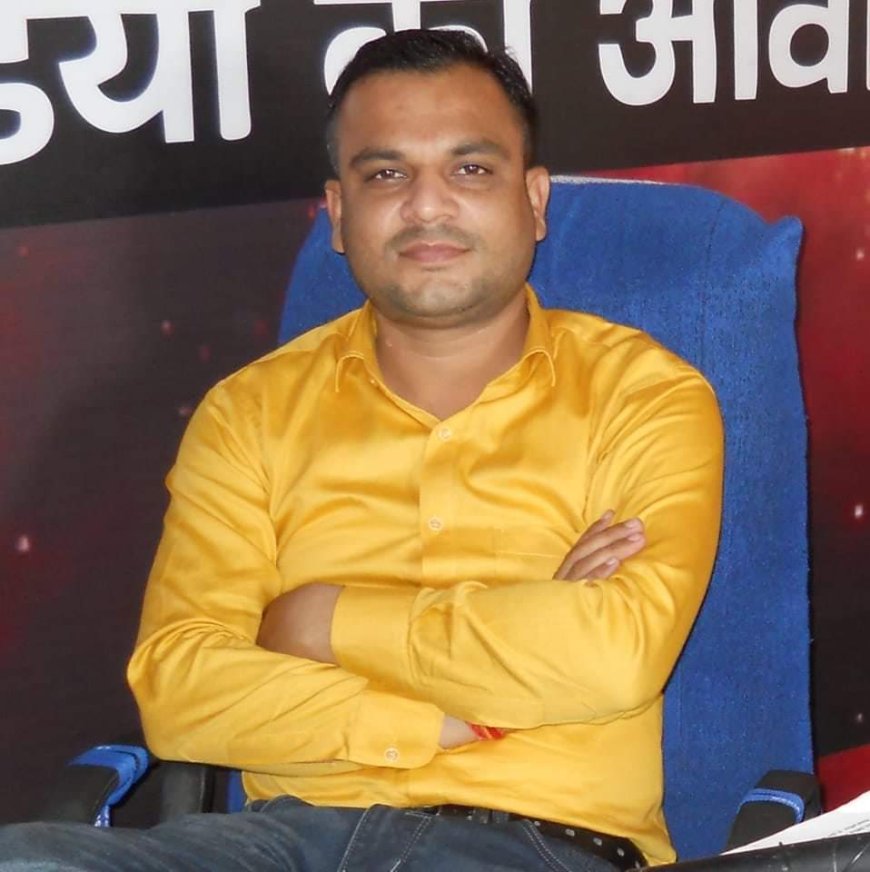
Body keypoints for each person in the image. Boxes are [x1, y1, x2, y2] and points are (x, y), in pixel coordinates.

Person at [0, 28, 722, 872]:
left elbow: (613, 656)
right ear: (339, 214)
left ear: (534, 201)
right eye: (386, 175)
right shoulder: (250, 414)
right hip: (280, 842)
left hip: (541, 845)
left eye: (470, 169)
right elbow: (180, 685)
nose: (426, 206)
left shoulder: (645, 395)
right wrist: (439, 711)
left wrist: (318, 620)